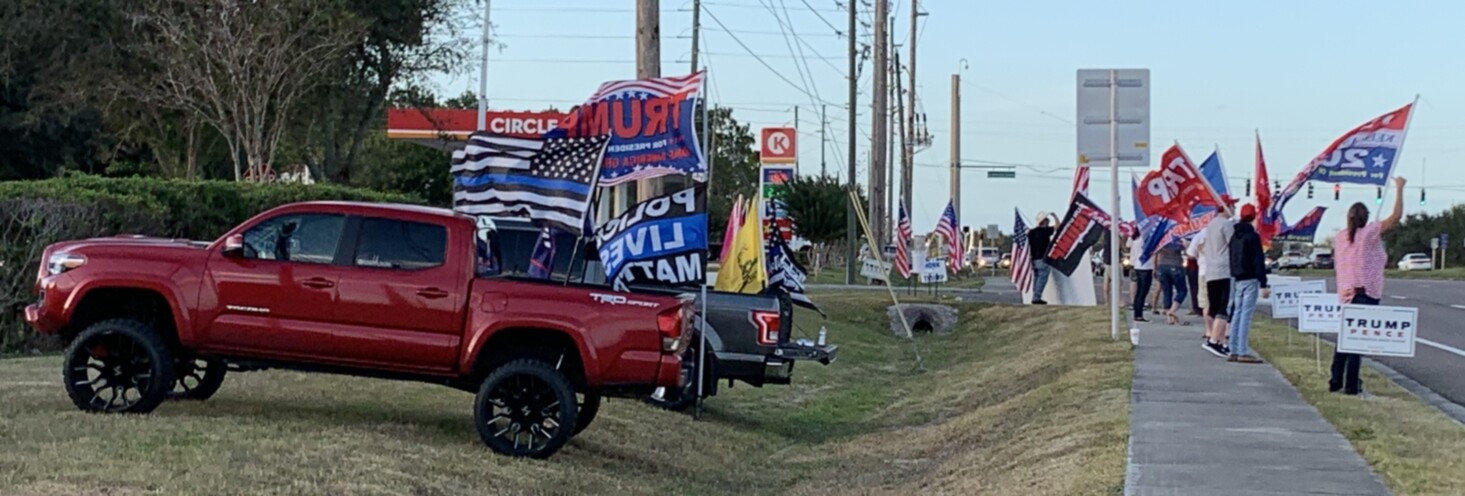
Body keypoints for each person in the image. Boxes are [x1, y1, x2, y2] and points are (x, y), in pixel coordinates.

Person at [1330, 177, 1406, 395]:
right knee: (1357, 341)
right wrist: (1399, 189)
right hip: (1365, 293)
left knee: (1345, 339)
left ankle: (1336, 379)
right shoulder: (1369, 234)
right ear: (1366, 218)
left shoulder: (1340, 237)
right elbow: (1396, 216)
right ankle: (1351, 384)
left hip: (1346, 293)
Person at [1226, 204, 1270, 363]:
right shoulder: (1252, 236)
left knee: (1236, 313)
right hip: (1250, 278)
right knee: (1246, 314)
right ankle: (1242, 350)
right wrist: (1263, 283)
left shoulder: (1234, 236)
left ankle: (1233, 348)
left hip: (1237, 278)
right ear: (1253, 217)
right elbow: (1258, 261)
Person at [1200, 196, 1238, 357]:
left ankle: (1221, 342)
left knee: (1214, 307)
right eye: (1233, 206)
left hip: (1211, 270)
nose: (1234, 209)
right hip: (1224, 270)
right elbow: (1234, 245)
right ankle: (1214, 341)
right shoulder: (1226, 224)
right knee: (1224, 307)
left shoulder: (1210, 224)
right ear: (1226, 206)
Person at [1154, 238, 1188, 325]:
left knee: (1167, 291)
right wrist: (1185, 243)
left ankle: (1169, 318)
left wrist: (1155, 268)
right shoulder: (1178, 239)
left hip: (1162, 266)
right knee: (1182, 290)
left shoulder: (1162, 238)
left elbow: (1155, 252)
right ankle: (1172, 310)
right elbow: (1187, 251)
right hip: (1176, 265)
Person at [1028, 214, 1056, 305]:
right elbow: (1058, 226)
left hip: (1034, 259)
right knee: (1042, 279)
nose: (1048, 222)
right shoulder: (1045, 231)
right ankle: (1036, 298)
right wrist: (1054, 216)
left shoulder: (1031, 232)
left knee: (1036, 279)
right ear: (1044, 222)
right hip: (1043, 259)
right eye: (1047, 221)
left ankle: (1035, 296)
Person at [1129, 229, 1155, 322]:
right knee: (1143, 291)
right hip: (1145, 266)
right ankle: (1138, 314)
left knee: (1140, 291)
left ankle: (1137, 312)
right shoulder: (1144, 239)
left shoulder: (1135, 238)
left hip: (1137, 265)